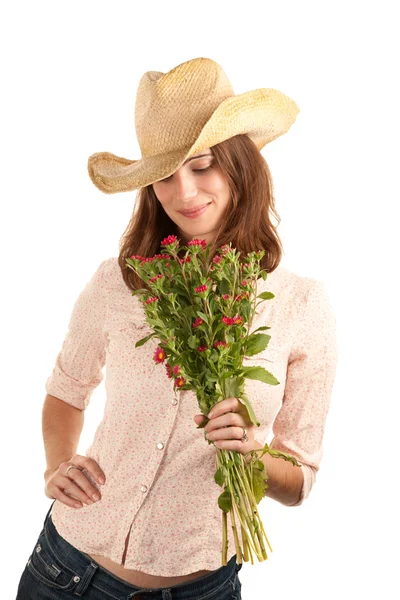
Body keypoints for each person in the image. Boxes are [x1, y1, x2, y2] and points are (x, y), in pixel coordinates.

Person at [16, 57, 338, 599]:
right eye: (163, 174)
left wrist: (252, 460)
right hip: (63, 572)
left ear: (241, 164)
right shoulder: (121, 280)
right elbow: (65, 392)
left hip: (198, 589)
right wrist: (56, 464)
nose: (183, 192)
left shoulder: (301, 303)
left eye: (203, 165)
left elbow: (300, 476)